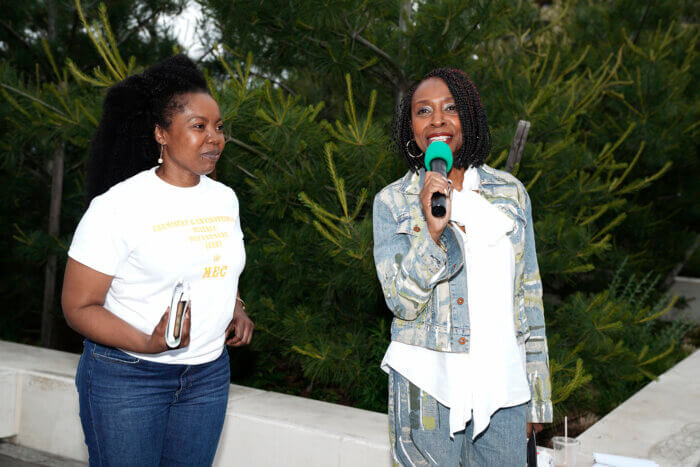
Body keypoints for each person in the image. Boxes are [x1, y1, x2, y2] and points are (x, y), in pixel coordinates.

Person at [61, 55, 254, 466]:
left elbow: (215, 264)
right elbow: (77, 307)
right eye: (198, 126)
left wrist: (235, 306)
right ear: (161, 134)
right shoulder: (117, 207)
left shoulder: (224, 199)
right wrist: (147, 343)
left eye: (219, 127)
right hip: (128, 376)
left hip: (207, 376)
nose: (215, 138)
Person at [373, 68, 552, 465]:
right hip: (428, 388)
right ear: (412, 129)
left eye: (450, 108)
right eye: (423, 111)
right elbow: (400, 302)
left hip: (504, 389)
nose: (437, 120)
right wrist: (431, 233)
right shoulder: (392, 203)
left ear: (468, 119)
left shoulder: (510, 193)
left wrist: (536, 399)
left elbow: (529, 296)